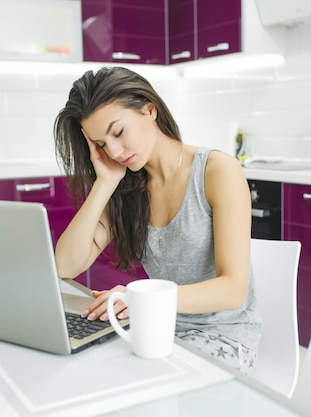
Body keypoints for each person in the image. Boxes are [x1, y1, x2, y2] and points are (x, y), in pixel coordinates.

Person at [53, 66, 262, 374]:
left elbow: (233, 290)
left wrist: (140, 298)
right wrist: (105, 183)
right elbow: (66, 266)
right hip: (156, 327)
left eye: (118, 132)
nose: (113, 150)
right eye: (100, 144)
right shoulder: (128, 187)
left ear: (149, 109)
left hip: (225, 338)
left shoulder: (217, 171)